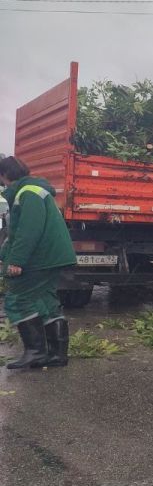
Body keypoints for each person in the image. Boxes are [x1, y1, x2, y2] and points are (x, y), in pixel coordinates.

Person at [0, 157, 77, 369]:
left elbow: (28, 231)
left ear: (5, 175)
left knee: (18, 300)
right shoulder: (31, 190)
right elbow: (16, 233)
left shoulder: (28, 193)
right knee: (45, 301)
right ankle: (56, 355)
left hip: (42, 257)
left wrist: (16, 261)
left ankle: (35, 352)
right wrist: (4, 253)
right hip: (50, 256)